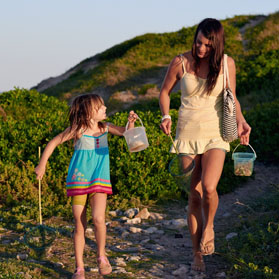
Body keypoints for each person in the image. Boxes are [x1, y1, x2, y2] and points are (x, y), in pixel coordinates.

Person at [159, 18, 251, 272]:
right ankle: (196, 253)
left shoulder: (226, 64)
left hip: (215, 134)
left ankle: (209, 227)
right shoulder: (180, 62)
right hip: (186, 134)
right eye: (198, 42)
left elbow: (232, 98)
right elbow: (165, 92)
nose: (200, 48)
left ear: (216, 45)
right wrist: (166, 115)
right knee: (194, 196)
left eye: (207, 45)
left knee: (209, 187)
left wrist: (241, 121)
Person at [35, 93, 138, 279]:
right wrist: (42, 164)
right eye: (101, 107)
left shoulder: (105, 127)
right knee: (79, 224)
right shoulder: (78, 130)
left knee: (99, 219)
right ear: (89, 112)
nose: (105, 109)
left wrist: (131, 122)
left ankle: (101, 256)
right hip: (79, 181)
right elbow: (54, 142)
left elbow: (126, 133)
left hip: (99, 179)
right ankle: (79, 268)